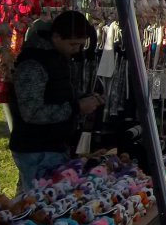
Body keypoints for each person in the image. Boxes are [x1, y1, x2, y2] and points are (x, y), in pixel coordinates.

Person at [10, 10, 102, 189]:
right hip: (36, 149)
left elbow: (58, 93)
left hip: (53, 145)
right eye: (73, 44)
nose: (76, 49)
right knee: (39, 200)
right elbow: (32, 113)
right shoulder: (33, 64)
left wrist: (84, 98)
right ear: (57, 37)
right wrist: (76, 107)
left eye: (80, 45)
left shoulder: (57, 58)